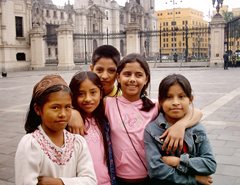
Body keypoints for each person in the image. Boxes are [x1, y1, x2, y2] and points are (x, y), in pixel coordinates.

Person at [104, 53, 203, 185]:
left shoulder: (154, 105)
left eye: (139, 75)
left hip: (151, 177)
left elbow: (197, 113)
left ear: (146, 79)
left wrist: (181, 125)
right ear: (118, 77)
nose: (132, 79)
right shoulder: (108, 103)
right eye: (127, 74)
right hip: (119, 178)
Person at [15, 74, 97, 185]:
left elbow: (90, 180)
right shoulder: (31, 144)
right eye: (55, 107)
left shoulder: (78, 142)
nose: (63, 114)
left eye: (67, 107)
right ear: (38, 109)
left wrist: (59, 182)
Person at [144, 74, 217, 185]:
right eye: (169, 97)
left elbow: (210, 164)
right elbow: (156, 170)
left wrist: (178, 161)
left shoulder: (197, 128)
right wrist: (193, 179)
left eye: (181, 97)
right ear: (161, 101)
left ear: (190, 99)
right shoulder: (152, 130)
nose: (175, 102)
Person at [69, 71, 116, 185]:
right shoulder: (70, 123)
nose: (88, 99)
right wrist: (71, 111)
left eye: (93, 92)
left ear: (101, 94)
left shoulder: (104, 120)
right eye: (81, 94)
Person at [68, 44, 121, 135]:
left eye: (111, 71)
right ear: (92, 69)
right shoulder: (78, 93)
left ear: (118, 73)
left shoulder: (121, 99)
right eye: (99, 70)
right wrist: (71, 112)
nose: (104, 76)